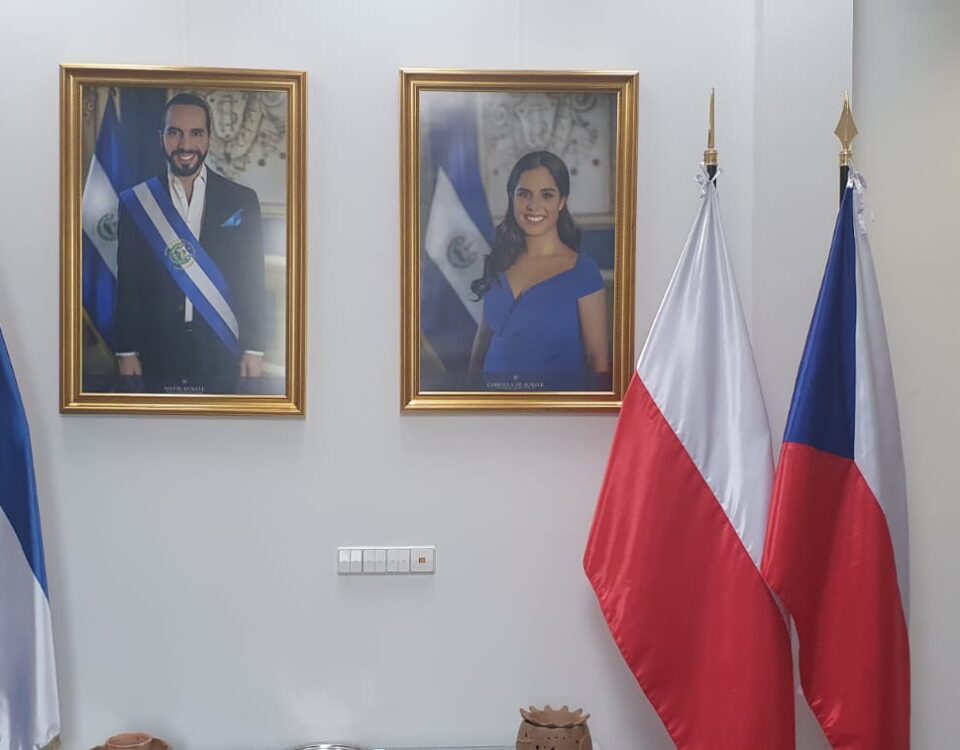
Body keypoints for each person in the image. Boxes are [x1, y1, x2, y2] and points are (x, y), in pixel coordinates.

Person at [114, 93, 267, 394]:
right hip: (155, 347)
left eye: (196, 133)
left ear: (209, 137)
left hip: (221, 345)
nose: (185, 145)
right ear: (162, 138)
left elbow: (253, 279)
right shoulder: (136, 202)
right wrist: (126, 352)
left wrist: (255, 348)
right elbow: (129, 282)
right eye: (175, 132)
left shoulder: (242, 200)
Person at [469, 151, 610, 390]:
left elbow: (598, 361)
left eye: (546, 195)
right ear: (511, 197)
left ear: (561, 201)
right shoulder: (499, 261)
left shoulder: (582, 272)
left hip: (554, 417)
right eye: (524, 194)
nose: (534, 206)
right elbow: (479, 354)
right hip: (492, 414)